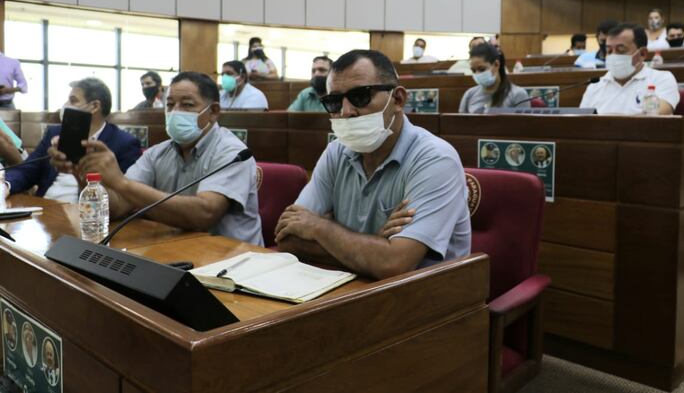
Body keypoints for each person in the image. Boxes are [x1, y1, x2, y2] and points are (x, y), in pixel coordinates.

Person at [274, 50, 471, 280]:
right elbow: (287, 239)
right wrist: (374, 246)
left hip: (427, 300)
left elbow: (394, 265)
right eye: (334, 102)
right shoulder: (336, 152)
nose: (346, 112)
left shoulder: (435, 159)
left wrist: (320, 228)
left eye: (360, 96)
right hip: (349, 290)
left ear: (397, 99)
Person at [53, 72, 263, 244]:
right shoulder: (157, 153)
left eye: (188, 105)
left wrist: (122, 183)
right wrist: (84, 171)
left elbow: (204, 214)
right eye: (170, 105)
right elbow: (116, 208)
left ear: (214, 111)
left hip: (234, 263)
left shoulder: (233, 152)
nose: (175, 112)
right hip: (178, 251)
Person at [7, 78, 141, 203]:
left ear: (94, 106)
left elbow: (122, 198)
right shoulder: (54, 133)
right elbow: (26, 171)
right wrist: (4, 186)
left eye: (73, 100)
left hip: (88, 215)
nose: (65, 106)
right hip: (47, 209)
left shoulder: (125, 143)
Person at [580, 23, 680, 115]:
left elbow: (656, 116)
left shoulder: (661, 79)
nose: (614, 55)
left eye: (621, 50)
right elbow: (582, 122)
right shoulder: (595, 86)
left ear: (642, 54)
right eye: (609, 51)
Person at [459, 43, 530, 113]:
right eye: (473, 70)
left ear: (496, 64)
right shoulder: (469, 94)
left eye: (482, 69)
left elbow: (523, 124)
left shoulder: (518, 94)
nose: (477, 74)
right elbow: (460, 122)